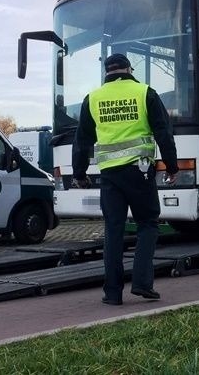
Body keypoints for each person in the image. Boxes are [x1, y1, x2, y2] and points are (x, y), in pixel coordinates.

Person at [72, 53, 178, 306]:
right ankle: (142, 284)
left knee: (113, 230)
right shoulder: (145, 93)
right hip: (139, 172)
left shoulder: (93, 98)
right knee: (148, 224)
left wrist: (79, 174)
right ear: (129, 70)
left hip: (110, 176)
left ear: (106, 72)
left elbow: (82, 141)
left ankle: (112, 293)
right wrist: (172, 167)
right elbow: (164, 133)